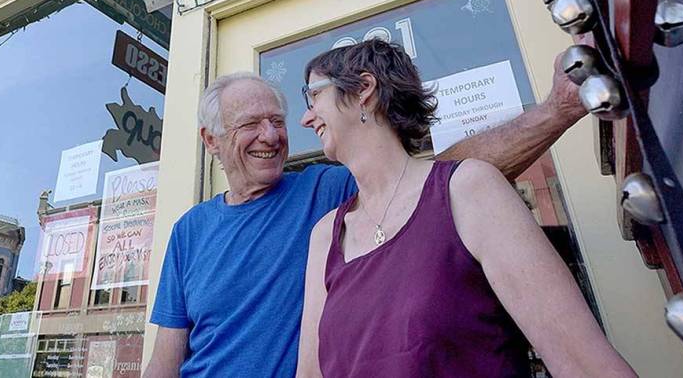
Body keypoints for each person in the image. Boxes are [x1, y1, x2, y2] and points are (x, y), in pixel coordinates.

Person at [143, 48, 588, 378]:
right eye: (250, 125)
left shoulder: (326, 192)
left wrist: (555, 111)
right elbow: (166, 358)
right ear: (211, 141)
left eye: (276, 121)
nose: (273, 136)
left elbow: (435, 182)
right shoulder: (189, 231)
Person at [296, 40, 635, 377]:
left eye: (314, 96)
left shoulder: (468, 189)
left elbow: (582, 363)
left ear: (363, 89)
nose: (306, 119)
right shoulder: (325, 236)